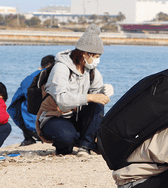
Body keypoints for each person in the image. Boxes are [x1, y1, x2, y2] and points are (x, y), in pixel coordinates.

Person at [37, 25, 113, 156]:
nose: (97, 60)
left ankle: (85, 147)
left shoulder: (92, 71)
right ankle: (67, 145)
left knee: (98, 104)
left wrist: (104, 92)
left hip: (77, 116)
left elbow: (96, 97)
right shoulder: (61, 68)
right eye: (95, 56)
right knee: (66, 138)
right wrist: (90, 97)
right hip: (54, 116)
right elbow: (62, 101)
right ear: (85, 54)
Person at [8, 55, 55, 146]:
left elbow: (14, 102)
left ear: (40, 67)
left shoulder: (30, 78)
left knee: (18, 103)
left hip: (32, 126)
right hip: (55, 123)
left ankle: (28, 137)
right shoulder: (59, 76)